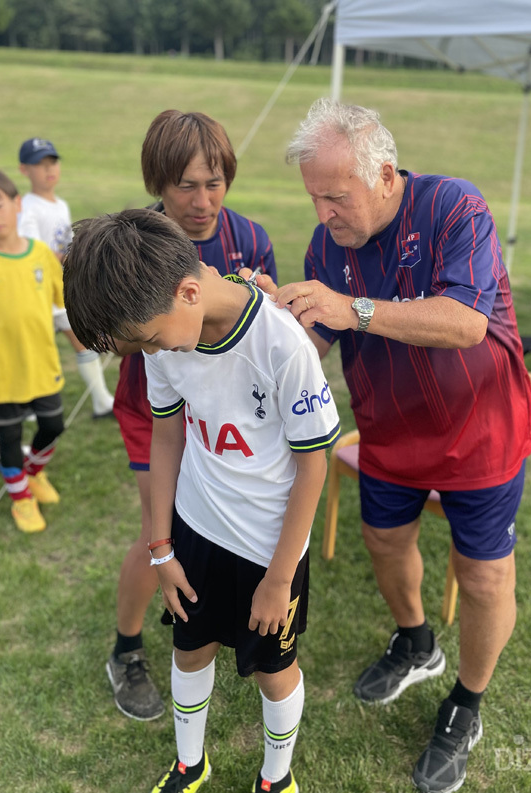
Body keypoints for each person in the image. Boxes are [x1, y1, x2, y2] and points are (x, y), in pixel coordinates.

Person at [255, 98, 531, 793]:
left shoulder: (453, 207)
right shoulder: (327, 246)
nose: (323, 212)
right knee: (384, 542)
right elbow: (314, 343)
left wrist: (349, 307)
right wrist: (269, 320)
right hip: (389, 426)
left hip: (481, 429)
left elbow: (466, 322)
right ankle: (415, 640)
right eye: (314, 197)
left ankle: (466, 702)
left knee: (483, 576)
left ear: (384, 174)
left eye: (335, 196)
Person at [63, 208, 340, 793]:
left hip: (269, 547)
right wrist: (161, 549)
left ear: (188, 292)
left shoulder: (282, 344)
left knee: (273, 670)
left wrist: (279, 578)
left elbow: (313, 464)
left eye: (149, 339)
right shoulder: (163, 333)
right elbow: (167, 437)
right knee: (190, 650)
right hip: (195, 528)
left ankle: (276, 777)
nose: (150, 351)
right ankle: (191, 763)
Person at [105, 110, 278, 723]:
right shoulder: (132, 241)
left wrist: (259, 298)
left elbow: (265, 332)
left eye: (215, 183)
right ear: (157, 183)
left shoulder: (251, 237)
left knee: (215, 528)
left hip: (222, 414)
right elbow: (109, 338)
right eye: (185, 186)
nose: (202, 202)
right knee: (160, 531)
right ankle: (126, 650)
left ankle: (206, 629)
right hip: (152, 409)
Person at [0, 168, 66, 533]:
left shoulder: (41, 254)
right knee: (8, 439)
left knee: (53, 425)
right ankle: (21, 499)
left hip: (41, 365)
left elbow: (64, 301)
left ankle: (34, 472)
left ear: (16, 204)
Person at [18, 137, 115, 419]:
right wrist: (63, 258)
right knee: (35, 350)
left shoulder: (60, 205)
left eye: (52, 162)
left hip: (60, 289)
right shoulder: (28, 207)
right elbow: (32, 250)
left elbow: (67, 243)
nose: (48, 169)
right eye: (40, 164)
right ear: (24, 170)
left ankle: (101, 401)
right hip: (37, 290)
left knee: (82, 339)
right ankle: (28, 405)